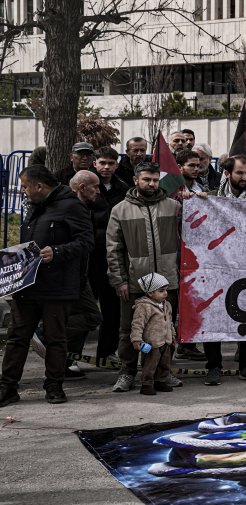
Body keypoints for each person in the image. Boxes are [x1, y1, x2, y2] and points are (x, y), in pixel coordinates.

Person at [0, 165, 93, 407]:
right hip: (27, 286)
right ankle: (7, 387)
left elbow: (86, 242)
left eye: (25, 187)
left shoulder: (72, 206)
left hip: (57, 287)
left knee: (55, 338)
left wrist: (59, 251)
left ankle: (54, 386)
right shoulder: (34, 207)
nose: (24, 192)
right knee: (17, 337)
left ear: (39, 186)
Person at [106, 162, 183, 393]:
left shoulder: (174, 207)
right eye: (146, 179)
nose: (151, 184)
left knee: (166, 330)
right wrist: (119, 280)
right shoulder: (120, 210)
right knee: (130, 329)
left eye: (155, 180)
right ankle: (127, 372)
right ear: (135, 180)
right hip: (135, 281)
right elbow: (113, 248)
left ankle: (162, 373)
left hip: (167, 280)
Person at [201, 155, 246, 384]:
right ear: (227, 173)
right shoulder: (210, 198)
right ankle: (214, 366)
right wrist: (196, 201)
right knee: (214, 316)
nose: (244, 177)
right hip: (217, 267)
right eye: (240, 173)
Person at [63, 171, 106, 380]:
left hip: (83, 273)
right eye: (95, 187)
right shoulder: (69, 208)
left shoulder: (87, 207)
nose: (98, 191)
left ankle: (66, 361)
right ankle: (49, 336)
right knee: (92, 316)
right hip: (70, 275)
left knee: (84, 317)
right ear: (81, 187)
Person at [90, 148, 130, 360]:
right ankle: (71, 355)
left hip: (113, 256)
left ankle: (107, 352)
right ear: (95, 163)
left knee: (112, 308)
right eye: (103, 162)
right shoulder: (86, 185)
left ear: (117, 165)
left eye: (111, 163)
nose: (106, 167)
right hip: (90, 256)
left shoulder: (123, 188)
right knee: (84, 310)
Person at [130, 272, 176, 396]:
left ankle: (160, 381)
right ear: (150, 293)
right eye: (161, 291)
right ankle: (146, 384)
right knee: (150, 365)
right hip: (152, 343)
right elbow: (137, 324)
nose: (165, 293)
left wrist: (173, 336)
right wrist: (136, 339)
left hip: (165, 341)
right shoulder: (144, 306)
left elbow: (170, 322)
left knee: (164, 363)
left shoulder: (167, 305)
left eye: (166, 290)